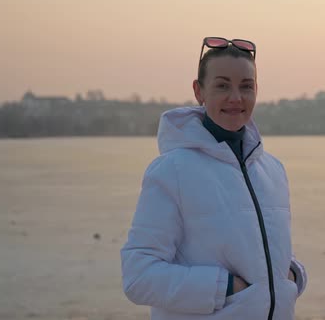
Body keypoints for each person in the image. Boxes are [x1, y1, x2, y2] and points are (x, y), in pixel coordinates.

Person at [121, 37, 307, 320]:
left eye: (246, 86)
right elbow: (138, 276)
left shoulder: (273, 170)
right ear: (199, 91)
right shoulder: (172, 171)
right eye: (222, 85)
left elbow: (262, 255)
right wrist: (225, 288)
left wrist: (290, 276)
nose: (236, 97)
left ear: (256, 90)